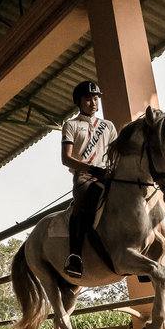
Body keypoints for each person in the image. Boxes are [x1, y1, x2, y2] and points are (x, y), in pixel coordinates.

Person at [61, 81, 118, 278]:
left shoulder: (108, 126)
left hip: (107, 174)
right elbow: (66, 158)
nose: (93, 103)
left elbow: (114, 154)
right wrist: (90, 168)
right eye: (88, 99)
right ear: (79, 102)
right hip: (84, 175)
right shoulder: (71, 125)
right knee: (83, 205)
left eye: (95, 98)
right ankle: (75, 255)